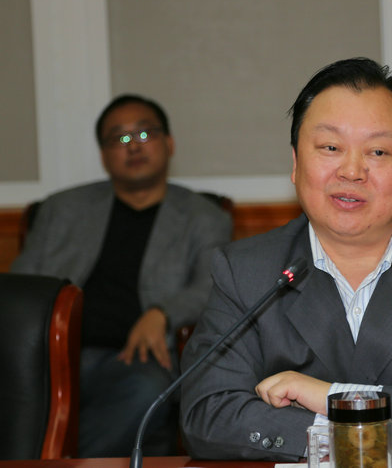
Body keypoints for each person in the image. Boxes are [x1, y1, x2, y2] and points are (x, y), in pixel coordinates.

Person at [179, 57, 392, 461]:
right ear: (295, 163)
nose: (351, 171)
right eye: (330, 147)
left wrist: (333, 398)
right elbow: (207, 415)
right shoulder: (246, 271)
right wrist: (344, 429)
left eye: (378, 151)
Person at [11, 93, 232, 457]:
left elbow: (213, 284)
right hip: (51, 355)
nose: (133, 146)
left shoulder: (204, 217)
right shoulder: (62, 209)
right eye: (119, 138)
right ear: (103, 155)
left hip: (135, 359)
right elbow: (21, 284)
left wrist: (163, 313)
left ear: (169, 144)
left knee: (146, 389)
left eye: (145, 134)